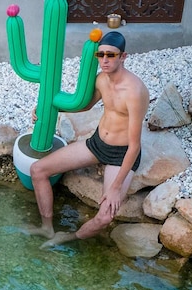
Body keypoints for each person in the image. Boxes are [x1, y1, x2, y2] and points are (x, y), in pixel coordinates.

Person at [29, 31, 150, 247]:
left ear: (123, 56)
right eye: (100, 54)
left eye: (111, 55)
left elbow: (134, 145)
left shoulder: (135, 91)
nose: (104, 60)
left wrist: (115, 187)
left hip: (120, 155)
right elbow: (84, 106)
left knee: (105, 217)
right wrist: (48, 108)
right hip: (96, 144)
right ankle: (46, 228)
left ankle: (68, 237)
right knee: (38, 170)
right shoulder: (101, 80)